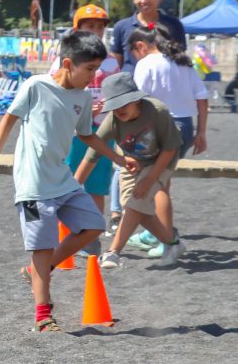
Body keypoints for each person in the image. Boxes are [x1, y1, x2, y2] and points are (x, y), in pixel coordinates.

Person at [0, 31, 135, 333]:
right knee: (42, 246)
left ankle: (40, 270)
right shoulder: (36, 86)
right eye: (89, 69)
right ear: (67, 64)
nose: (94, 77)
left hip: (63, 180)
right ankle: (43, 316)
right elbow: (8, 119)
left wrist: (118, 159)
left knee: (94, 225)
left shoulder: (82, 98)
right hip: (33, 185)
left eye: (97, 70)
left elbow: (87, 135)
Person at [74, 73, 185, 268]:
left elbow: (170, 149)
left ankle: (113, 252)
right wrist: (73, 187)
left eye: (124, 104)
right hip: (131, 162)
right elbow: (92, 154)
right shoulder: (113, 120)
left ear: (137, 100)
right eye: (114, 106)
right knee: (136, 208)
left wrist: (150, 179)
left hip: (161, 161)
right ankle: (173, 243)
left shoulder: (157, 111)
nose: (119, 110)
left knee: (137, 201)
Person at [126, 22, 208, 257]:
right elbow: (202, 98)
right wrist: (201, 132)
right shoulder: (184, 62)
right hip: (185, 126)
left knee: (158, 184)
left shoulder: (146, 64)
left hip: (159, 126)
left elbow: (137, 100)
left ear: (140, 46)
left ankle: (166, 239)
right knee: (164, 181)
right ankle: (154, 234)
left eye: (133, 53)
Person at [49, 5, 120, 256]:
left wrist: (106, 104)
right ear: (76, 28)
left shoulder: (110, 61)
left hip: (101, 129)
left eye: (100, 27)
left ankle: (91, 238)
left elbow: (117, 93)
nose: (96, 31)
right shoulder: (63, 59)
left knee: (97, 186)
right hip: (73, 130)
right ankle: (65, 234)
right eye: (90, 26)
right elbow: (55, 89)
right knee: (68, 181)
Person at [109, 0, 187, 75]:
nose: (144, 0)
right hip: (129, 84)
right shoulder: (121, 27)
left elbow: (180, 62)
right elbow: (114, 67)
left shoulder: (174, 26)